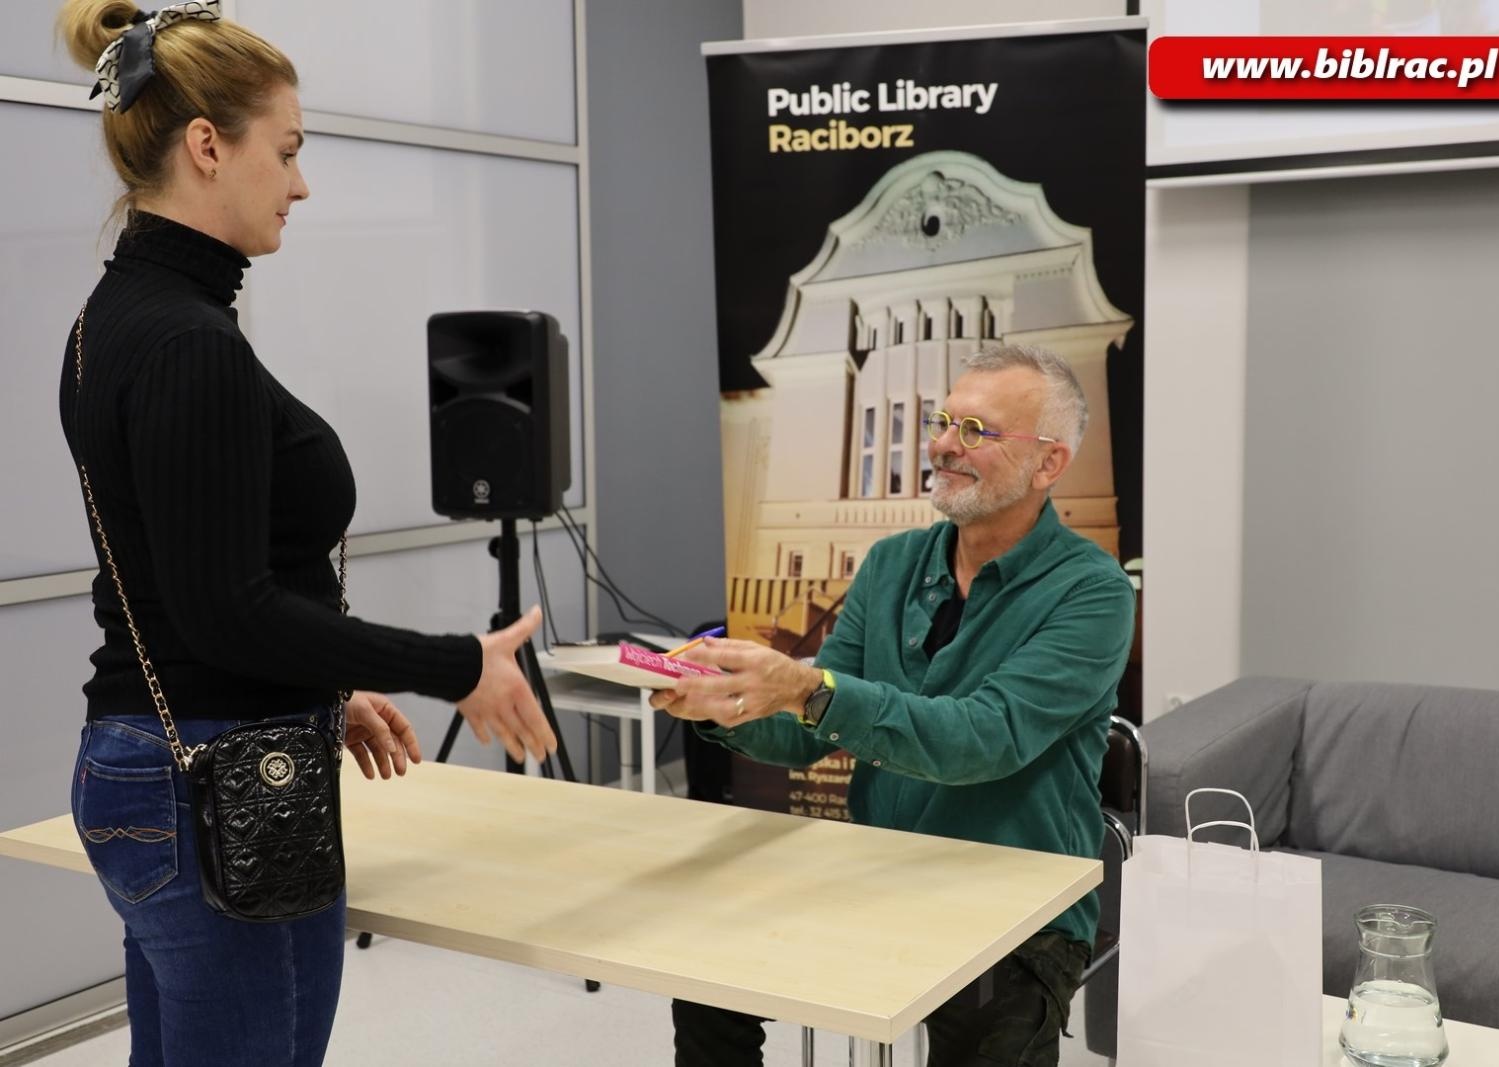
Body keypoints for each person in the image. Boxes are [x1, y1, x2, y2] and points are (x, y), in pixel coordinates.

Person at [54, 3, 556, 1064]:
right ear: (206, 146)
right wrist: (453, 662)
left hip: (160, 760)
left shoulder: (112, 320)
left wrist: (323, 688)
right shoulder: (190, 345)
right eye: (284, 151)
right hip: (212, 777)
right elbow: (226, 609)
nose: (300, 182)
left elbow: (186, 591)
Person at [654, 344, 1136, 1067]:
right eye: (945, 421)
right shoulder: (891, 565)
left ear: (1049, 464)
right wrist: (721, 705)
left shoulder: (1091, 592)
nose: (942, 443)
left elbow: (982, 738)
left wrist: (808, 687)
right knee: (702, 963)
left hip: (1019, 904)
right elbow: (807, 736)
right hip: (877, 869)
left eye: (976, 431)